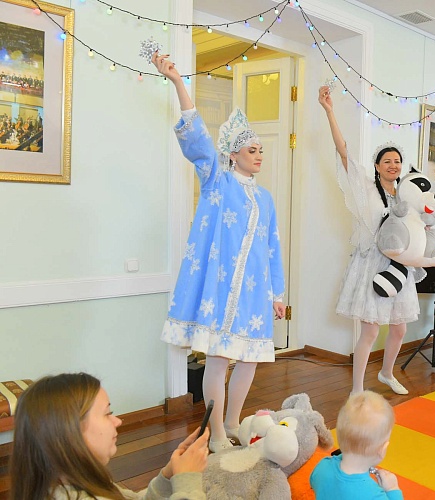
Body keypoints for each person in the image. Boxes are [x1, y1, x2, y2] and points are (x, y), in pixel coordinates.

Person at [153, 53, 286, 452]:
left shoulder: (266, 198)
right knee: (218, 358)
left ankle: (232, 423)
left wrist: (277, 294)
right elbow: (197, 141)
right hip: (221, 290)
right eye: (251, 150)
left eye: (261, 150)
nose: (258, 155)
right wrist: (178, 82)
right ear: (232, 154)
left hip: (254, 293)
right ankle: (214, 433)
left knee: (249, 359)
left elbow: (272, 247)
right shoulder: (217, 181)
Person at [318, 85, 416, 395]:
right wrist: (330, 111)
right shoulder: (365, 186)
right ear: (377, 166)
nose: (393, 165)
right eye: (387, 161)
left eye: (397, 161)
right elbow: (344, 151)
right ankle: (357, 389)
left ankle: (386, 373)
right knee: (371, 331)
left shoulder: (406, 193)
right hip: (372, 263)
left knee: (399, 328)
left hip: (399, 265)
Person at [10, 373, 208, 500]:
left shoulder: (69, 483)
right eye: (107, 414)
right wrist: (188, 480)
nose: (118, 421)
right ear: (71, 432)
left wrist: (168, 475)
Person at [310, 391, 402, 499]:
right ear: (382, 450)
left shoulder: (322, 466)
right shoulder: (374, 495)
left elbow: (313, 482)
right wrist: (392, 489)